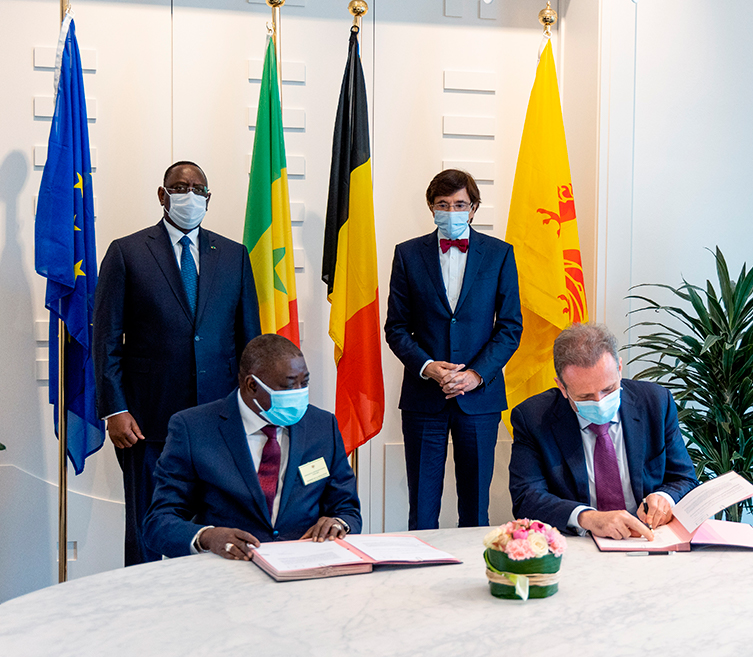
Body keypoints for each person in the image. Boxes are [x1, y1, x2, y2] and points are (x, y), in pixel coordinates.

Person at [93, 161, 261, 565]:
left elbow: (249, 344)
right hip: (146, 422)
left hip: (218, 421)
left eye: (198, 188)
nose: (190, 195)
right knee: (148, 528)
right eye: (180, 187)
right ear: (162, 195)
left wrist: (252, 410)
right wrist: (115, 409)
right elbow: (106, 340)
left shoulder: (234, 256)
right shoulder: (126, 252)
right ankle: (147, 617)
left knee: (217, 530)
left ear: (208, 198)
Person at [385, 169, 522, 530]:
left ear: (474, 208)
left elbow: (510, 327)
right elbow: (396, 328)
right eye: (443, 204)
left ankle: (475, 580)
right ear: (431, 208)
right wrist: (429, 366)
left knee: (476, 508)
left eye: (460, 204)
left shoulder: (500, 255)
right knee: (423, 507)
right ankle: (420, 578)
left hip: (480, 400)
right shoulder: (407, 254)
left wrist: (475, 376)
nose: (451, 211)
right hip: (423, 398)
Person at [143, 334, 362, 560]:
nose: (299, 393)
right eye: (288, 385)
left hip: (304, 568)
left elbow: (347, 508)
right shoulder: (193, 429)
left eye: (304, 383)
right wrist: (208, 537)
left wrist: (339, 523)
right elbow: (159, 522)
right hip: (227, 570)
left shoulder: (322, 426)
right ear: (252, 385)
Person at [508, 323, 698, 540]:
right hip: (579, 543)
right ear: (562, 387)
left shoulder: (655, 403)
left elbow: (684, 478)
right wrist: (587, 518)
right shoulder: (533, 417)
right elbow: (526, 497)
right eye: (585, 397)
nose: (599, 402)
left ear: (619, 368)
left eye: (608, 389)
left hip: (648, 538)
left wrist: (664, 497)